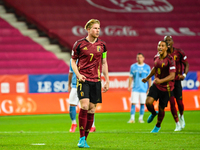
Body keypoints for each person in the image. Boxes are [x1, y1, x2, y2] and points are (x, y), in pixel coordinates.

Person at [71, 19, 109, 148]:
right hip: (83, 79)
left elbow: (104, 63)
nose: (97, 30)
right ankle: (81, 138)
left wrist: (107, 80)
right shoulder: (79, 44)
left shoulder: (103, 45)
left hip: (96, 81)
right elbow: (72, 61)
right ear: (88, 29)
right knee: (85, 106)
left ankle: (85, 139)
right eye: (95, 28)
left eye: (99, 28)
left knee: (92, 109)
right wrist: (78, 75)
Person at [142, 40, 176, 133]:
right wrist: (147, 78)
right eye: (159, 45)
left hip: (167, 88)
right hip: (156, 85)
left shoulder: (170, 59)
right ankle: (153, 113)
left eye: (162, 46)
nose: (160, 47)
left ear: (166, 48)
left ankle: (158, 126)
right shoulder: (156, 57)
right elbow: (155, 68)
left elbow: (172, 76)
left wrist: (161, 80)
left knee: (161, 108)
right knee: (148, 102)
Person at [164, 36, 189, 129]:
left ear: (172, 42)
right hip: (168, 82)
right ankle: (177, 124)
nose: (168, 42)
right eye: (166, 41)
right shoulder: (162, 55)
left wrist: (185, 75)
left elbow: (186, 64)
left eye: (169, 40)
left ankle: (181, 115)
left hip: (177, 81)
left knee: (180, 103)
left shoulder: (179, 52)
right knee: (171, 102)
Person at [68, 59, 96, 133]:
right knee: (72, 104)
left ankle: (92, 125)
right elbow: (71, 73)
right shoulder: (72, 60)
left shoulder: (87, 58)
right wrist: (69, 84)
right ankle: (73, 123)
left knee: (88, 106)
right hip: (74, 85)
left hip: (85, 85)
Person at [127, 53, 151, 123]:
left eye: (140, 57)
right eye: (138, 57)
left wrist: (149, 87)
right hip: (135, 88)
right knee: (133, 103)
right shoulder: (133, 67)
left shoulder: (147, 67)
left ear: (143, 58)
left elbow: (149, 78)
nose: (139, 59)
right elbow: (131, 77)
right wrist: (129, 86)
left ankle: (141, 118)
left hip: (143, 89)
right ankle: (132, 119)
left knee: (143, 103)